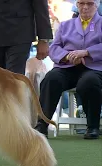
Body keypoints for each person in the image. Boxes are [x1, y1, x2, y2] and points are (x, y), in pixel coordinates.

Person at [35, 0, 102, 139]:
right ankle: (42, 124)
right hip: (67, 66)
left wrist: (87, 52)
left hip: (94, 67)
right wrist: (67, 56)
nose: (85, 7)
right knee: (51, 79)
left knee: (89, 81)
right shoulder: (66, 25)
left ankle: (93, 127)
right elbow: (54, 48)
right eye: (81, 3)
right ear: (76, 5)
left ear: (97, 5)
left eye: (89, 3)